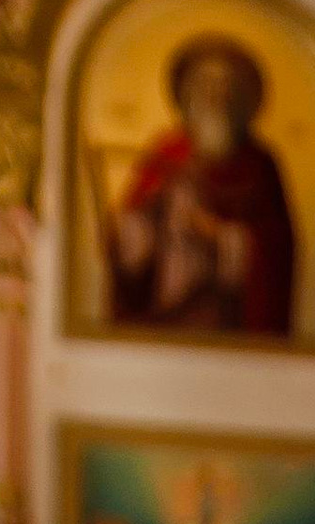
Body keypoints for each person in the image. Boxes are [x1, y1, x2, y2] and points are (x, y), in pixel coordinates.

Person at [104, 34, 298, 338]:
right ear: (188, 94)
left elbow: (277, 251)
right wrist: (134, 234)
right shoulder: (168, 153)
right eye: (205, 85)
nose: (215, 95)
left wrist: (221, 237)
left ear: (242, 98)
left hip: (228, 321)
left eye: (225, 87)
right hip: (166, 318)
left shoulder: (259, 166)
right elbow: (137, 237)